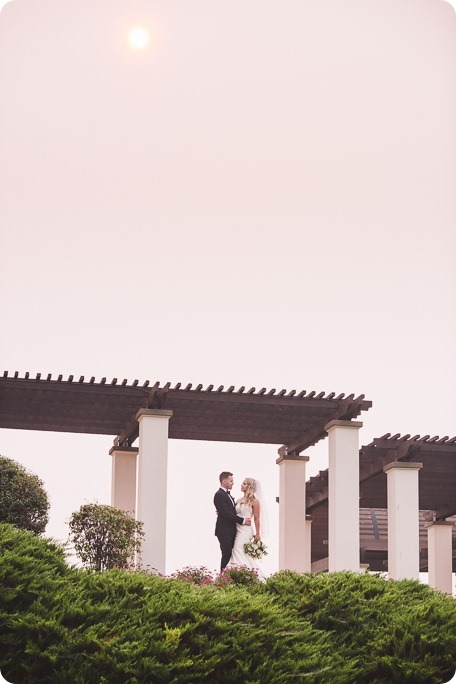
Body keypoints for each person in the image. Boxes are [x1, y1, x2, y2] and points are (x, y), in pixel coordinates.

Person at [228, 477, 269, 580]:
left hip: (245, 531)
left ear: (249, 487)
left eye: (244, 484)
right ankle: (247, 575)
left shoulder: (254, 501)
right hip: (236, 530)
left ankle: (245, 575)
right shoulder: (238, 500)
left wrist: (258, 534)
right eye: (242, 483)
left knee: (237, 549)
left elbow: (256, 518)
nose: (241, 485)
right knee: (240, 552)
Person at [214, 471, 251, 571]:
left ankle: (231, 576)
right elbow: (226, 514)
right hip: (224, 531)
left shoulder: (228, 495)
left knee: (232, 554)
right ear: (224, 481)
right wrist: (243, 520)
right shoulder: (219, 495)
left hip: (232, 531)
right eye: (231, 481)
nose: (233, 483)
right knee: (226, 554)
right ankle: (222, 577)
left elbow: (230, 511)